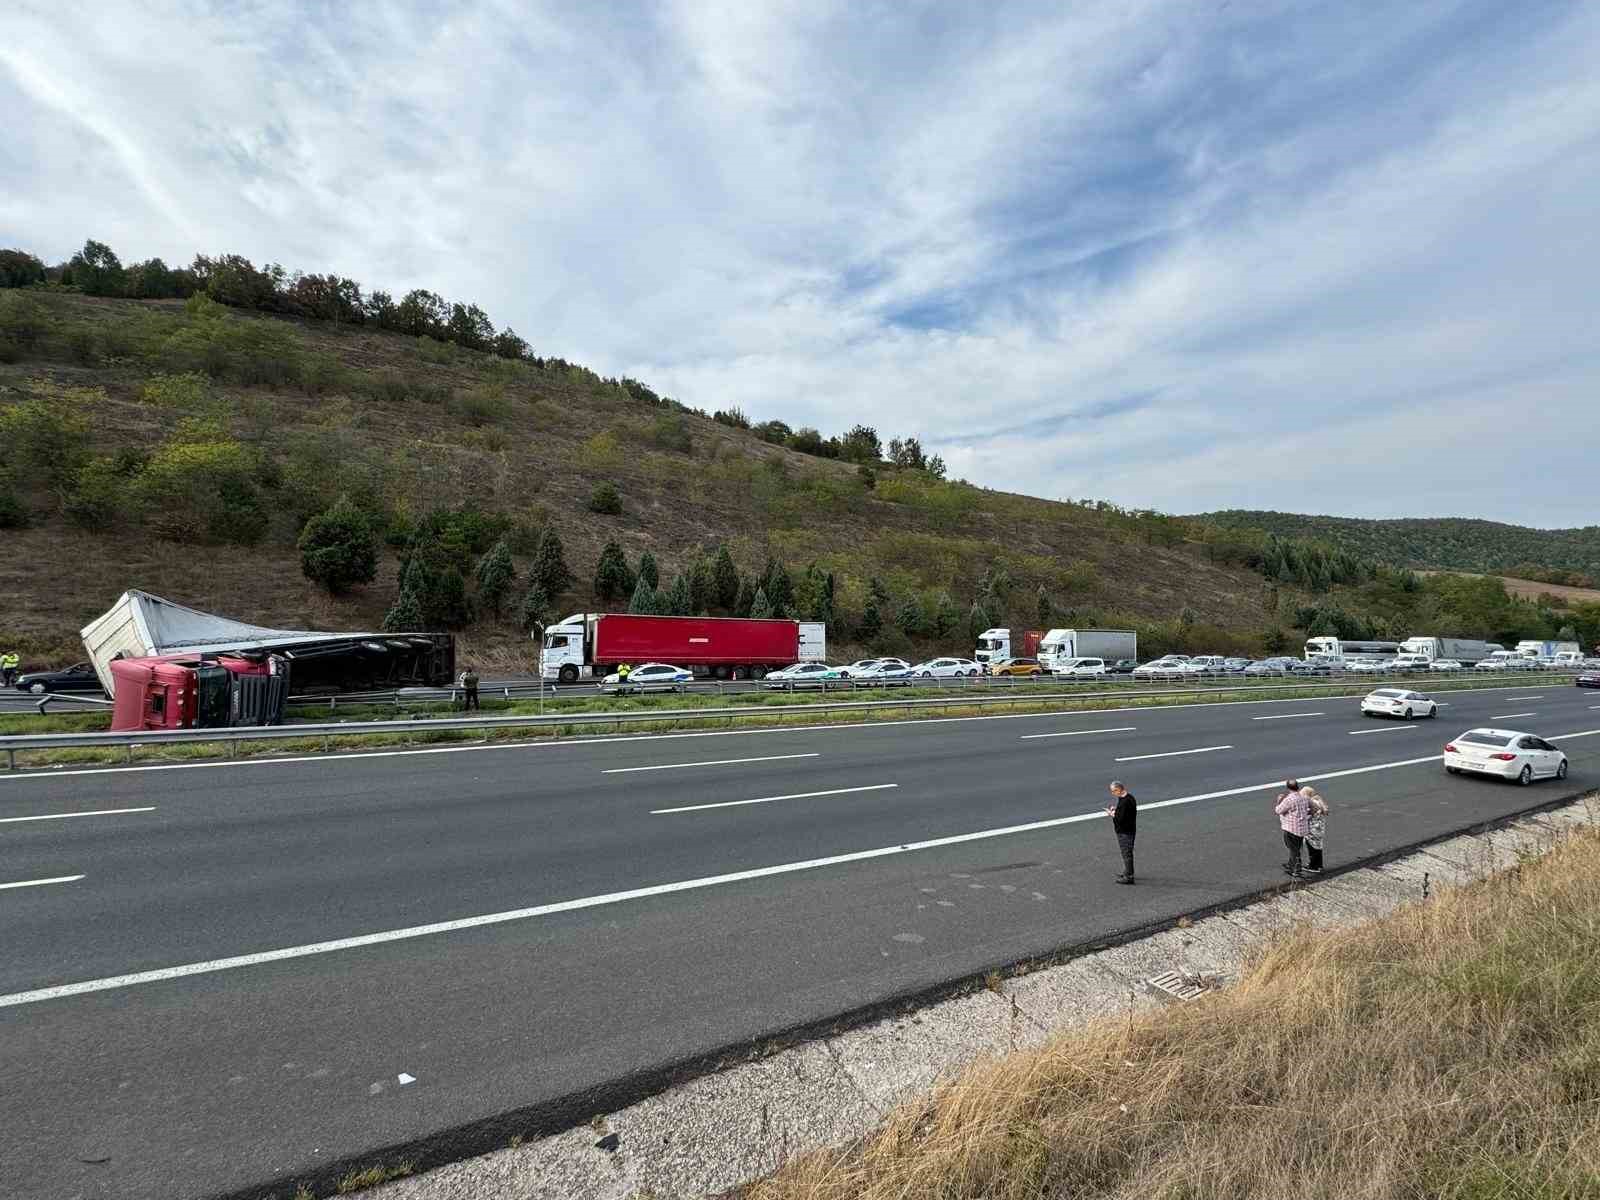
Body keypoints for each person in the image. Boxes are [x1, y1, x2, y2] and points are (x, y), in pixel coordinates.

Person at [1275, 778, 1312, 878]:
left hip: (1291, 828)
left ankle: (1295, 869)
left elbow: (1278, 810)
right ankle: (1291, 864)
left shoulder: (1289, 799)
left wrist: (1278, 801)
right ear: (1298, 787)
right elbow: (1311, 808)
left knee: (1293, 848)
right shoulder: (1304, 798)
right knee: (1296, 848)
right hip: (1302, 828)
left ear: (1288, 787)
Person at [1104, 780, 1137, 884]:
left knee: (1126, 853)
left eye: (1113, 791)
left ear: (1119, 790)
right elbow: (1126, 813)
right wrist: (1117, 809)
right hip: (1130, 829)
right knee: (1127, 852)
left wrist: (1112, 814)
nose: (1112, 793)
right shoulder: (1129, 798)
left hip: (1125, 832)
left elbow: (1120, 819)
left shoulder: (1124, 802)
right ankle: (1127, 871)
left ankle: (1129, 876)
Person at [1302, 784, 1328, 874]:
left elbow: (1306, 816)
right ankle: (1319, 865)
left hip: (1312, 829)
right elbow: (1325, 811)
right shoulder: (1319, 802)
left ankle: (1313, 866)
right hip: (1320, 828)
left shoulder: (1311, 804)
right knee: (1318, 847)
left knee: (1312, 848)